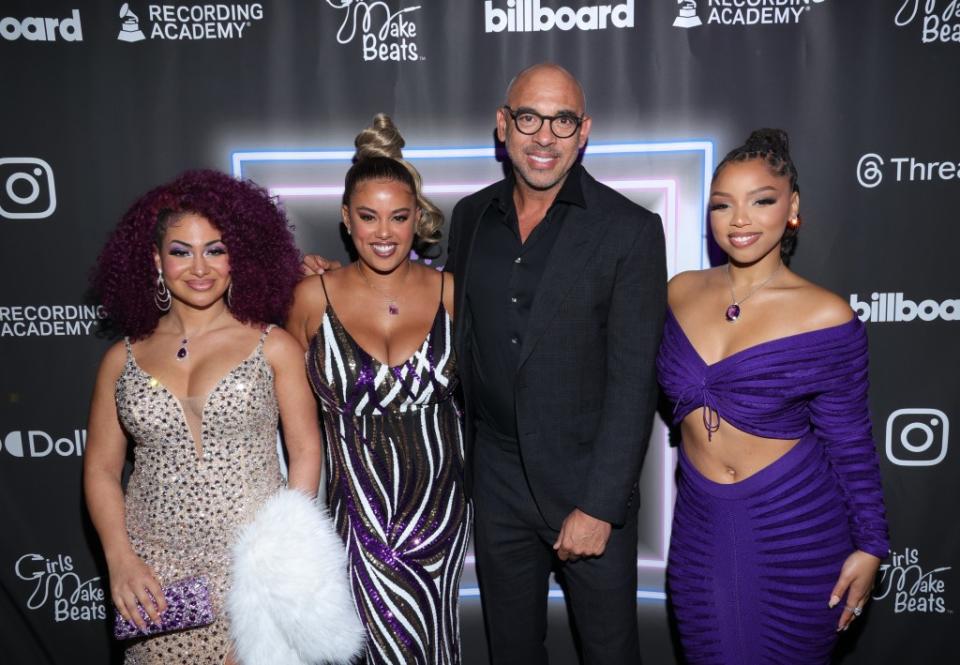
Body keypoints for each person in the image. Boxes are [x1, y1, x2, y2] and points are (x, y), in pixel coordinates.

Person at [657, 129, 889, 663]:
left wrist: (871, 544)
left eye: (761, 201)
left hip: (796, 525)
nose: (740, 220)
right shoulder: (678, 292)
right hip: (702, 527)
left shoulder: (825, 315)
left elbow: (850, 441)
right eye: (723, 205)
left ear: (792, 207)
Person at [84, 170, 323, 664]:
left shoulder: (272, 345)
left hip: (253, 566)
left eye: (215, 249)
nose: (199, 267)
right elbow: (102, 470)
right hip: (155, 573)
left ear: (239, 257)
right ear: (155, 259)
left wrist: (284, 560)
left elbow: (305, 452)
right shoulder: (121, 359)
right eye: (181, 251)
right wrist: (120, 560)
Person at [286, 114, 472, 665]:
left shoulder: (453, 292)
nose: (384, 233)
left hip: (441, 514)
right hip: (356, 517)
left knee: (434, 642)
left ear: (419, 217)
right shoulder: (311, 299)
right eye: (368, 217)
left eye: (398, 216)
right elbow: (286, 420)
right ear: (346, 220)